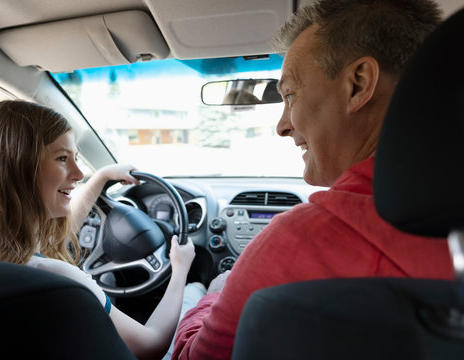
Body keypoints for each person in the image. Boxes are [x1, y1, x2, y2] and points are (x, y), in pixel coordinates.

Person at [172, 0, 453, 359]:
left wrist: (211, 295)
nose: (282, 126)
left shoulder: (300, 242)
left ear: (358, 84)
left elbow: (195, 356)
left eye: (289, 95)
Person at [0, 100, 195, 360]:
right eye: (62, 158)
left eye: (77, 159)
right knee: (198, 294)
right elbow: (150, 345)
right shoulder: (57, 278)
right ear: (21, 168)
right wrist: (180, 270)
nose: (79, 173)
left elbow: (58, 232)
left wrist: (101, 177)